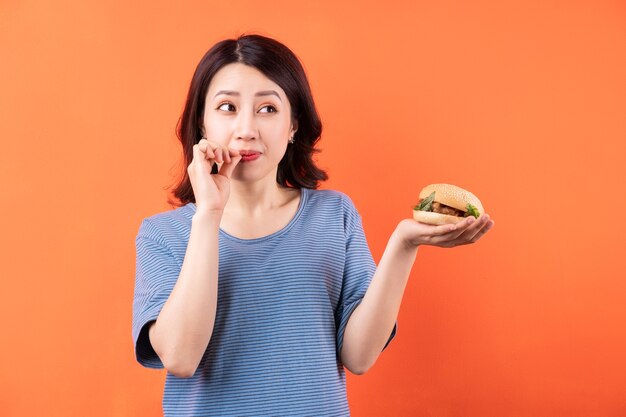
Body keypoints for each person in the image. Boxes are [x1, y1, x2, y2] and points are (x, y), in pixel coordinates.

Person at [132, 34, 494, 417]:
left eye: (268, 109)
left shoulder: (333, 215)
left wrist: (404, 245)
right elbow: (181, 358)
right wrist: (208, 214)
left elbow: (359, 356)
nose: (246, 129)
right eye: (227, 107)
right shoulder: (162, 234)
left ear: (293, 126)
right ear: (202, 125)